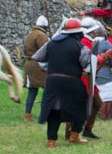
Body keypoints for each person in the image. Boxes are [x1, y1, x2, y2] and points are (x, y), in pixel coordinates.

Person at [33, 18, 105, 146]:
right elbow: (88, 65)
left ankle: (51, 141)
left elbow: (39, 59)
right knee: (81, 107)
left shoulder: (51, 43)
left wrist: (52, 69)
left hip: (52, 81)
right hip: (72, 81)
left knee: (54, 110)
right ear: (78, 32)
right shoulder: (80, 46)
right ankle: (74, 135)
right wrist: (85, 71)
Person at [22, 15, 49, 122]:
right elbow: (45, 51)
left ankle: (27, 115)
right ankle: (44, 115)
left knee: (32, 91)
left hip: (29, 63)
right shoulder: (41, 35)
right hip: (38, 65)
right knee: (47, 90)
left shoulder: (30, 34)